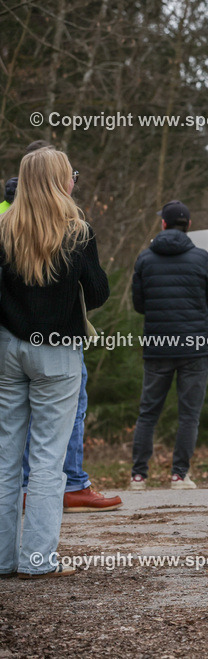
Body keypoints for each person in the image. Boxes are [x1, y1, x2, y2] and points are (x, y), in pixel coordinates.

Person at [0, 146, 109, 578]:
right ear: (61, 180)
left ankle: (2, 559)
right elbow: (97, 294)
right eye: (71, 175)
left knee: (5, 458)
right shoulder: (77, 231)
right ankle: (37, 560)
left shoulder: (4, 229)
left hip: (7, 349)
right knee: (47, 459)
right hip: (58, 352)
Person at [129, 200, 208, 490]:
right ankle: (179, 475)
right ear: (189, 226)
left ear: (163, 224)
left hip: (158, 345)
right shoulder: (202, 258)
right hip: (194, 347)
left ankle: (138, 476)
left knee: (148, 413)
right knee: (189, 415)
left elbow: (139, 305)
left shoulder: (145, 259)